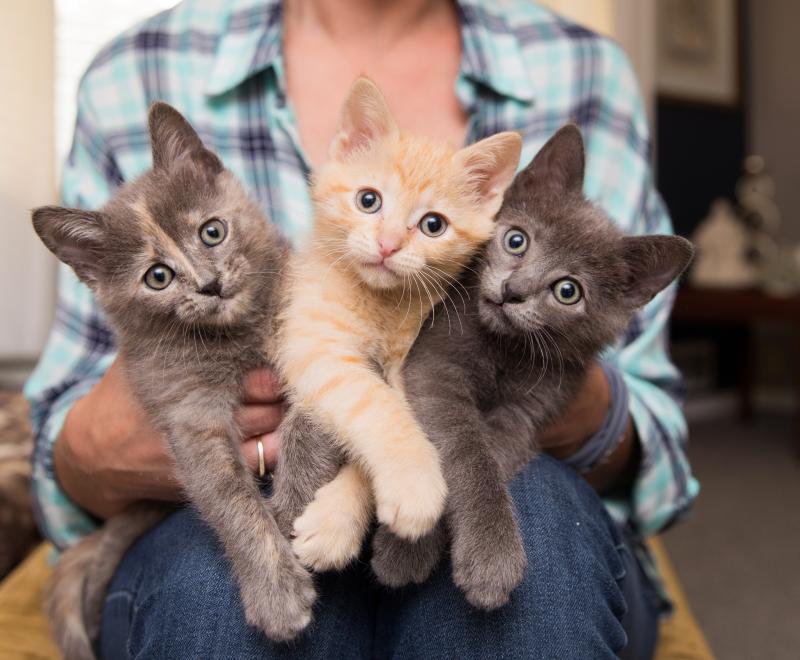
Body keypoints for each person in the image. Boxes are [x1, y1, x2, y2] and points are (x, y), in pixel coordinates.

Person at [25, 0, 698, 657]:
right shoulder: (138, 67)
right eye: (371, 202)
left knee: (529, 528)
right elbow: (59, 449)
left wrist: (554, 391)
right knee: (218, 591)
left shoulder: (583, 67)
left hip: (506, 472)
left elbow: (662, 448)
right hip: (227, 499)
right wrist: (96, 447)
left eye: (431, 225)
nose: (387, 240)